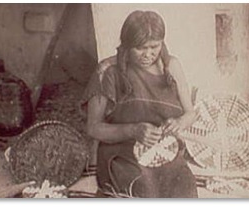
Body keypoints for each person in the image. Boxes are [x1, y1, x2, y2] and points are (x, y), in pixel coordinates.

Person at [80, 10, 198, 198]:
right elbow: (93, 128)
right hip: (120, 152)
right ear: (126, 45)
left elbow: (190, 114)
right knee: (144, 188)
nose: (148, 54)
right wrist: (133, 130)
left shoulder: (171, 67)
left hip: (164, 149)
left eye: (154, 46)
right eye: (140, 48)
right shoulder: (107, 72)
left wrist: (180, 122)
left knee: (185, 187)